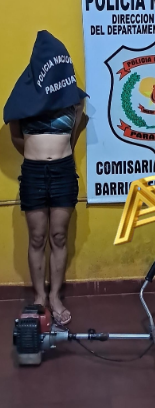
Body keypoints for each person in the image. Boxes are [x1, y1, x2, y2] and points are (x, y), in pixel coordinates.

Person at [4, 30, 88, 325]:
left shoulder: (74, 99)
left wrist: (60, 154)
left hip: (63, 171)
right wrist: (35, 156)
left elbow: (73, 134)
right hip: (34, 173)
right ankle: (39, 296)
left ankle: (55, 297)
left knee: (59, 236)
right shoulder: (23, 96)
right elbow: (16, 137)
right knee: (37, 237)